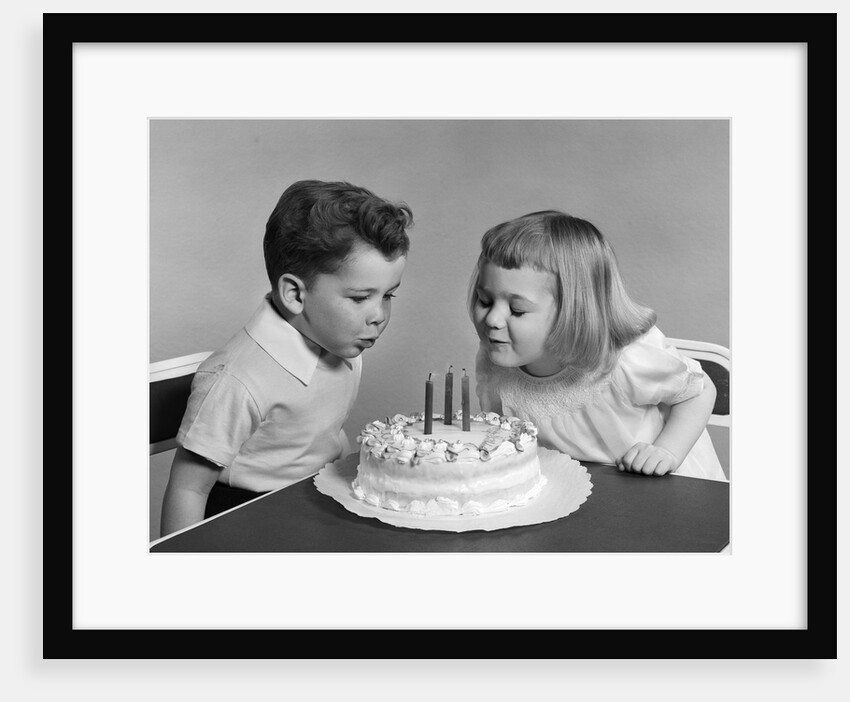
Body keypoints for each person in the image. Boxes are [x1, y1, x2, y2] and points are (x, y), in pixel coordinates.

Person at [160, 180, 413, 536]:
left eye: (388, 296)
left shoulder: (345, 346)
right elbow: (189, 487)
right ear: (295, 294)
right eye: (360, 298)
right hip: (246, 518)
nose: (378, 316)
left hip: (314, 501)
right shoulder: (238, 380)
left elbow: (320, 430)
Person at [468, 210, 726, 481]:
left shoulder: (624, 362)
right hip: (574, 495)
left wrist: (666, 451)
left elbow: (700, 390)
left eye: (517, 310)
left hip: (656, 491)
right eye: (484, 301)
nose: (493, 319)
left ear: (575, 312)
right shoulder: (497, 360)